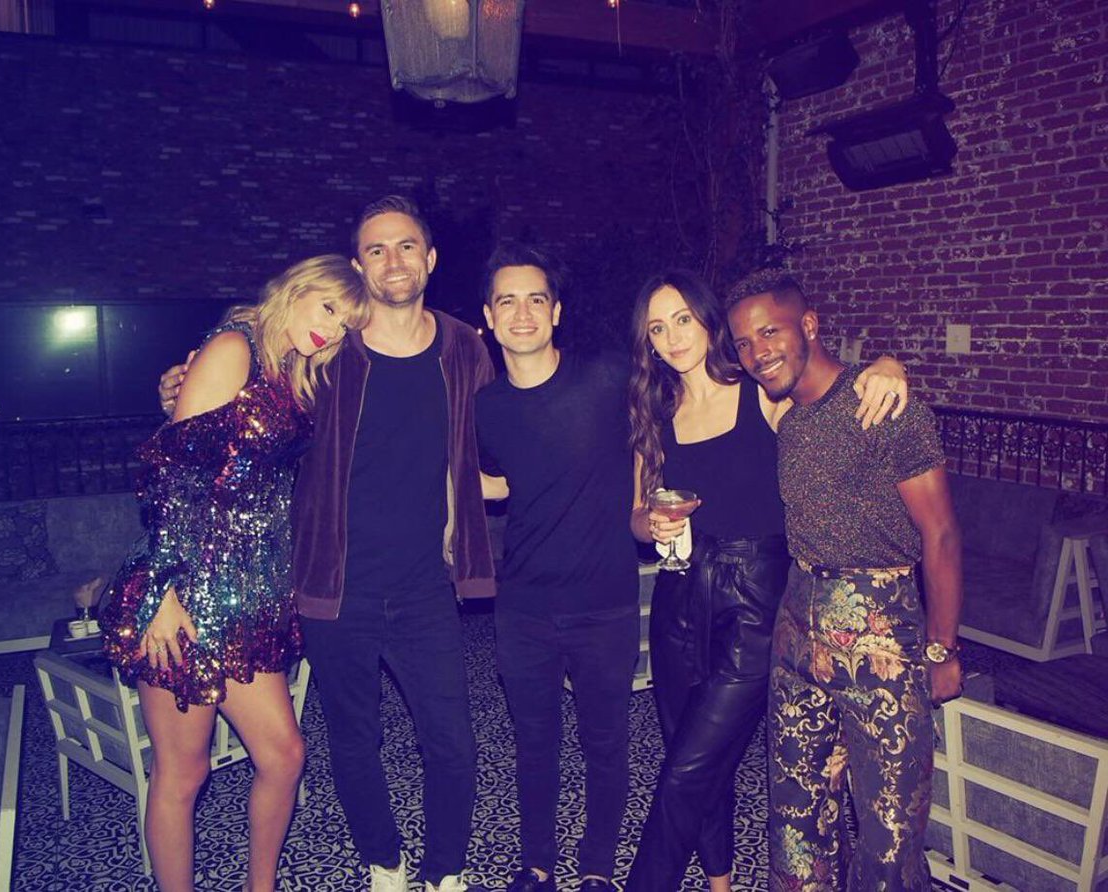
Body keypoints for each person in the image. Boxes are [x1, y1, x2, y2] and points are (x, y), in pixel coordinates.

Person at [164, 196, 497, 892]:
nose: (393, 260)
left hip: (425, 585)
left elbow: (495, 437)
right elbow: (225, 412)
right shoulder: (326, 350)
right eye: (376, 249)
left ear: (431, 259)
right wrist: (179, 385)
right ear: (357, 266)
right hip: (330, 583)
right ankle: (384, 862)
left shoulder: (466, 347)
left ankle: (446, 870)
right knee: (352, 739)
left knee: (452, 741)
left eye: (406, 246)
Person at [624, 270, 909, 892]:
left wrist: (887, 366)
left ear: (708, 321)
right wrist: (654, 521)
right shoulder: (654, 409)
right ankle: (720, 884)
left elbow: (833, 393)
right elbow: (638, 518)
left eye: (682, 320)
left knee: (687, 769)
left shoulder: (762, 393)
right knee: (691, 757)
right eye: (657, 328)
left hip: (756, 603)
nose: (673, 337)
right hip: (679, 597)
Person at [101, 255, 369, 892]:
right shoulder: (234, 348)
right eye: (328, 307)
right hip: (188, 593)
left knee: (285, 755)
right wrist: (164, 589)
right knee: (183, 772)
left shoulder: (294, 369)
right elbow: (172, 475)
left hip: (248, 599)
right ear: (297, 290)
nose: (332, 329)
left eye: (345, 324)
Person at [726, 270, 962, 892]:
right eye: (744, 342)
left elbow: (941, 535)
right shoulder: (787, 420)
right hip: (796, 632)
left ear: (809, 325)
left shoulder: (884, 408)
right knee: (796, 821)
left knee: (889, 831)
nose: (756, 352)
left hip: (880, 635)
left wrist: (942, 649)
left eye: (769, 332)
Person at [475, 244, 638, 892]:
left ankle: (598, 866)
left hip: (605, 604)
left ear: (557, 311)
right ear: (489, 317)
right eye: (508, 301)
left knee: (606, 744)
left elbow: (692, 389)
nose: (523, 314)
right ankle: (536, 864)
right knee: (534, 744)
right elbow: (498, 481)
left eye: (536, 299)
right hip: (524, 610)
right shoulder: (487, 407)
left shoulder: (606, 378)